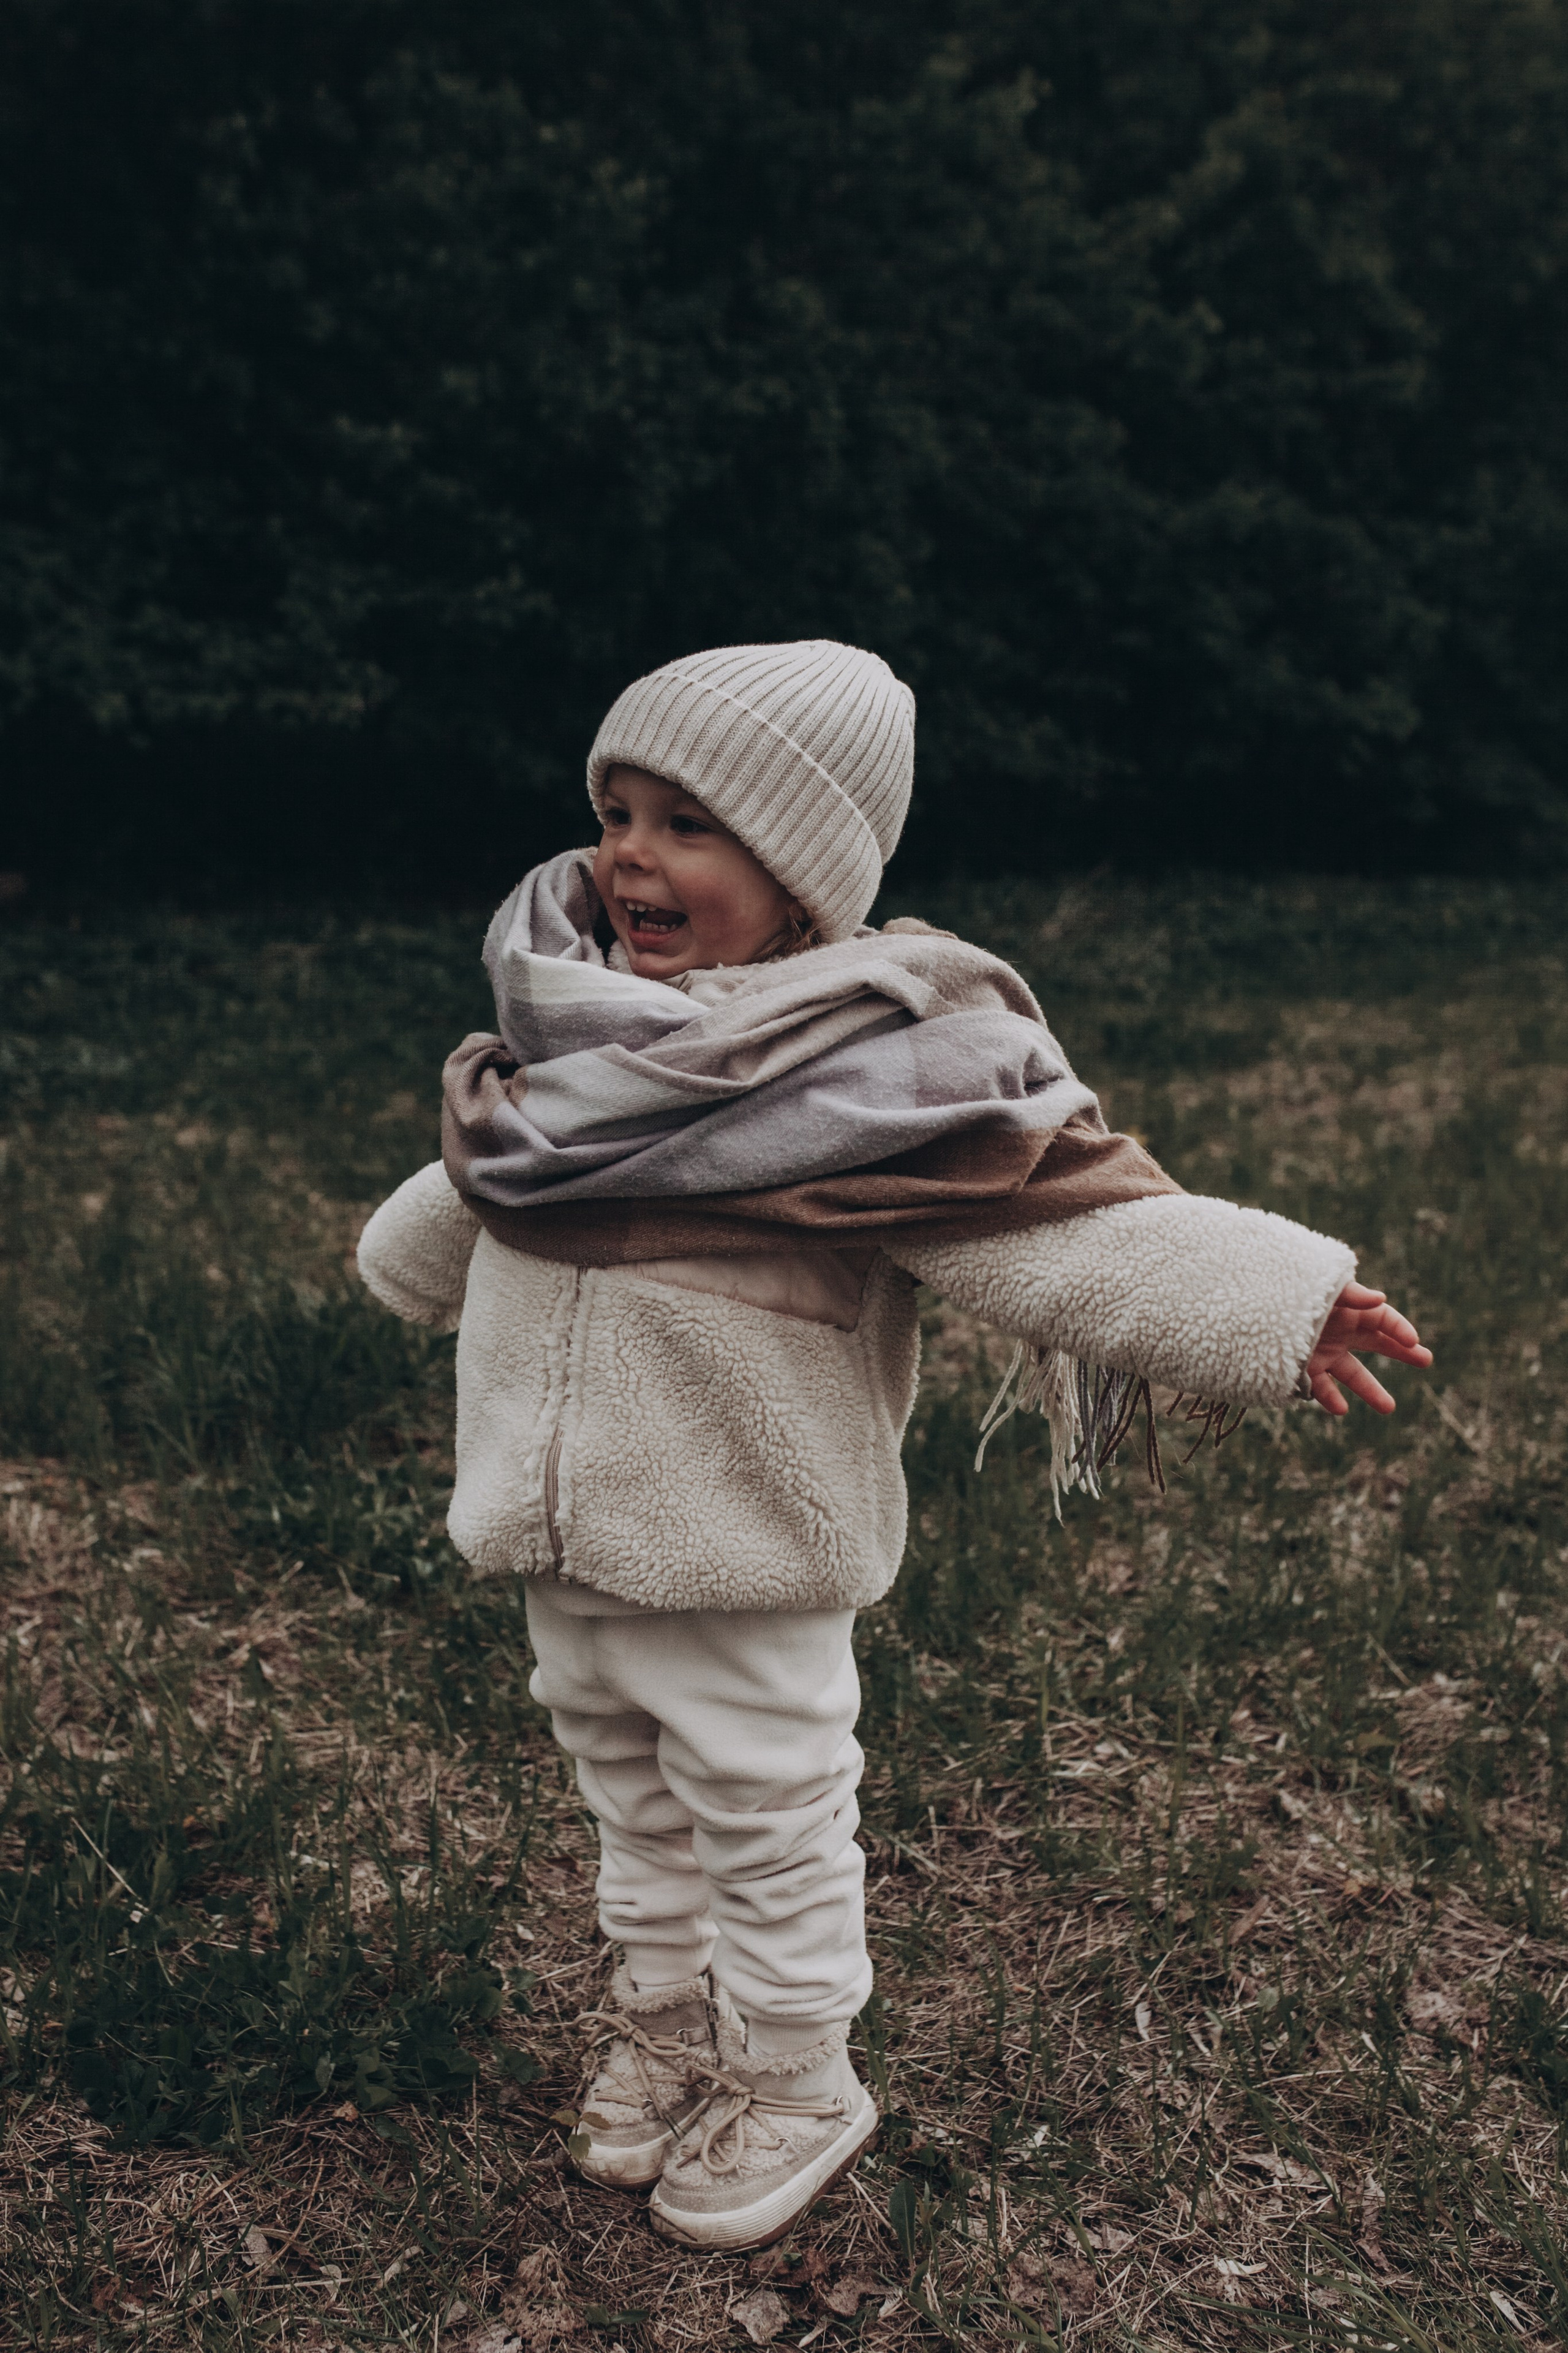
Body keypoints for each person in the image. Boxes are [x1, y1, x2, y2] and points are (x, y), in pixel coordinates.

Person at [356, 640, 1430, 2253]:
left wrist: (1279, 1302)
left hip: (744, 1537)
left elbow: (1057, 1235)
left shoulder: (863, 1074)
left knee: (767, 1805)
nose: (633, 855)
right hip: (560, 1526)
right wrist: (410, 1251)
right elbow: (506, 1173)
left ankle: (796, 2065)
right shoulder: (584, 1041)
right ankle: (667, 2015)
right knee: (631, 1794)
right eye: (619, 809)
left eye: (691, 824)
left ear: (801, 874)